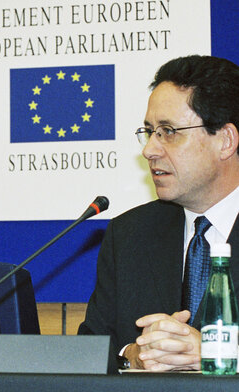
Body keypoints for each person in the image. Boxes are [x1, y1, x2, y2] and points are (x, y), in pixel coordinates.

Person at [79, 55, 239, 371]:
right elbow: (92, 350)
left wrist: (217, 354)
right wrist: (132, 356)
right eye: (150, 131)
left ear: (225, 141)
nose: (149, 149)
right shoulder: (129, 234)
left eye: (168, 131)